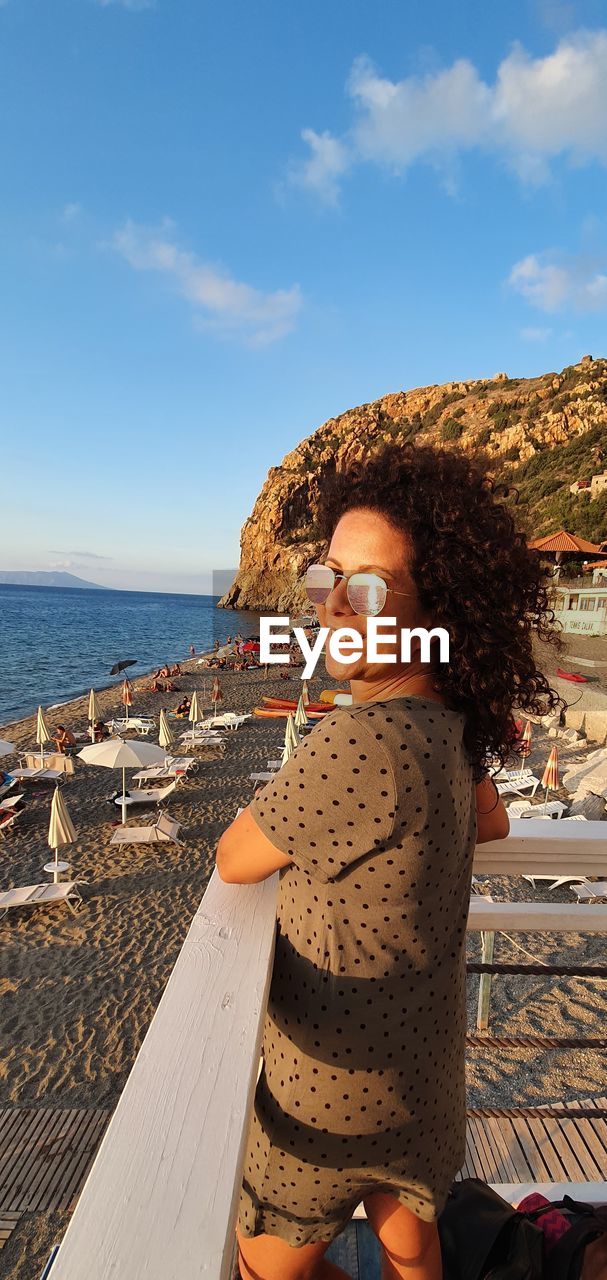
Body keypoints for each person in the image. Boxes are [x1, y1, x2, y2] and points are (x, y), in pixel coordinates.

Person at [216, 441, 564, 1280]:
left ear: (434, 611)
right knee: (410, 1246)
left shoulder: (359, 740)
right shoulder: (448, 728)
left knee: (261, 1268)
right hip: (423, 1076)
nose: (332, 604)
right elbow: (492, 825)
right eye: (325, 575)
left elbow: (233, 860)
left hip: (331, 1093)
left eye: (367, 585)